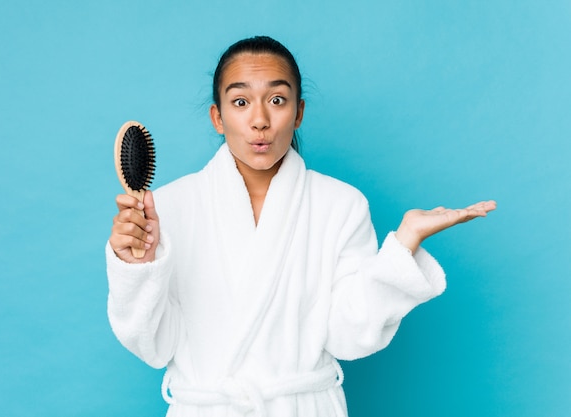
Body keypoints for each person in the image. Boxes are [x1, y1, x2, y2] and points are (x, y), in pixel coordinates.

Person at [107, 35, 496, 417]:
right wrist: (138, 270)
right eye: (240, 102)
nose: (260, 120)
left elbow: (348, 335)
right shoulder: (171, 207)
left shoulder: (341, 204)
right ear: (218, 117)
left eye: (277, 100)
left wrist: (405, 244)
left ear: (298, 112)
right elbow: (154, 346)